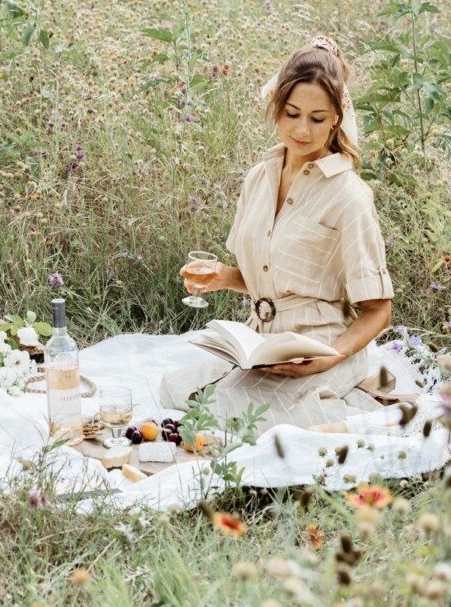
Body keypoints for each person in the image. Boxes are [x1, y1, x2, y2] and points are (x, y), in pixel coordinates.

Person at [160, 36, 393, 433]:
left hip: (320, 345)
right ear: (276, 107)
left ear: (337, 117)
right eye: (292, 114)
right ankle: (327, 398)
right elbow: (266, 278)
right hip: (262, 342)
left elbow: (378, 311)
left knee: (243, 418)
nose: (303, 129)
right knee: (177, 389)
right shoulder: (260, 177)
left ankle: (358, 399)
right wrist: (224, 276)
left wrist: (330, 357)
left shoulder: (349, 195)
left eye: (318, 118)